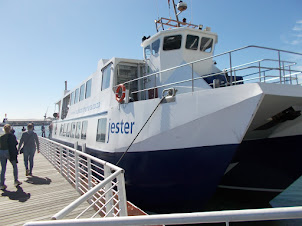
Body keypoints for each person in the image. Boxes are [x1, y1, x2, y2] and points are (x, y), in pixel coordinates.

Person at [0, 124, 22, 190]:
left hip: (1, 152)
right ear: (10, 129)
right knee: (14, 166)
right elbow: (16, 143)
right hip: (10, 152)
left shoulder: (1, 137)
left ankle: (2, 184)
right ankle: (16, 180)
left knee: (3, 168)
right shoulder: (12, 136)